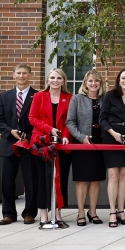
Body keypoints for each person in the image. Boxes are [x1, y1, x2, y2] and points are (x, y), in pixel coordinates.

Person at [0, 64, 38, 225]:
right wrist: (10, 131)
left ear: (30, 75)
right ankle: (9, 213)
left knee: (31, 181)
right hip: (8, 145)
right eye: (18, 73)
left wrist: (30, 136)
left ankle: (30, 213)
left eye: (24, 73)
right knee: (6, 181)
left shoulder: (37, 96)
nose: (21, 76)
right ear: (13, 75)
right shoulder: (4, 97)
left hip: (29, 145)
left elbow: (40, 121)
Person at [29, 68, 72, 228]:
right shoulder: (39, 96)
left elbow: (70, 120)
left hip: (61, 145)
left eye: (59, 78)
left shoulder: (69, 98)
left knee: (60, 179)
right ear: (48, 80)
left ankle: (58, 214)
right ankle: (44, 215)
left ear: (63, 81)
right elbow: (32, 118)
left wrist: (66, 135)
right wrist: (50, 130)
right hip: (41, 144)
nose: (55, 80)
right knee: (42, 180)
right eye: (52, 77)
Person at [99, 68, 125, 228]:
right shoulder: (110, 96)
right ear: (118, 80)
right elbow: (102, 119)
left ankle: (121, 210)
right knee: (113, 176)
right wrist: (114, 134)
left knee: (124, 176)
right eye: (123, 78)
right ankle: (112, 212)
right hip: (111, 138)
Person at [65, 69, 107, 226]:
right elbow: (70, 121)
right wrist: (81, 137)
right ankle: (81, 212)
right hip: (81, 143)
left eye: (96, 81)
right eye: (90, 81)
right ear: (85, 83)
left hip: (100, 143)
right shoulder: (77, 99)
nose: (93, 83)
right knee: (82, 179)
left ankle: (93, 211)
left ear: (100, 83)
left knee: (96, 179)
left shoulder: (104, 100)